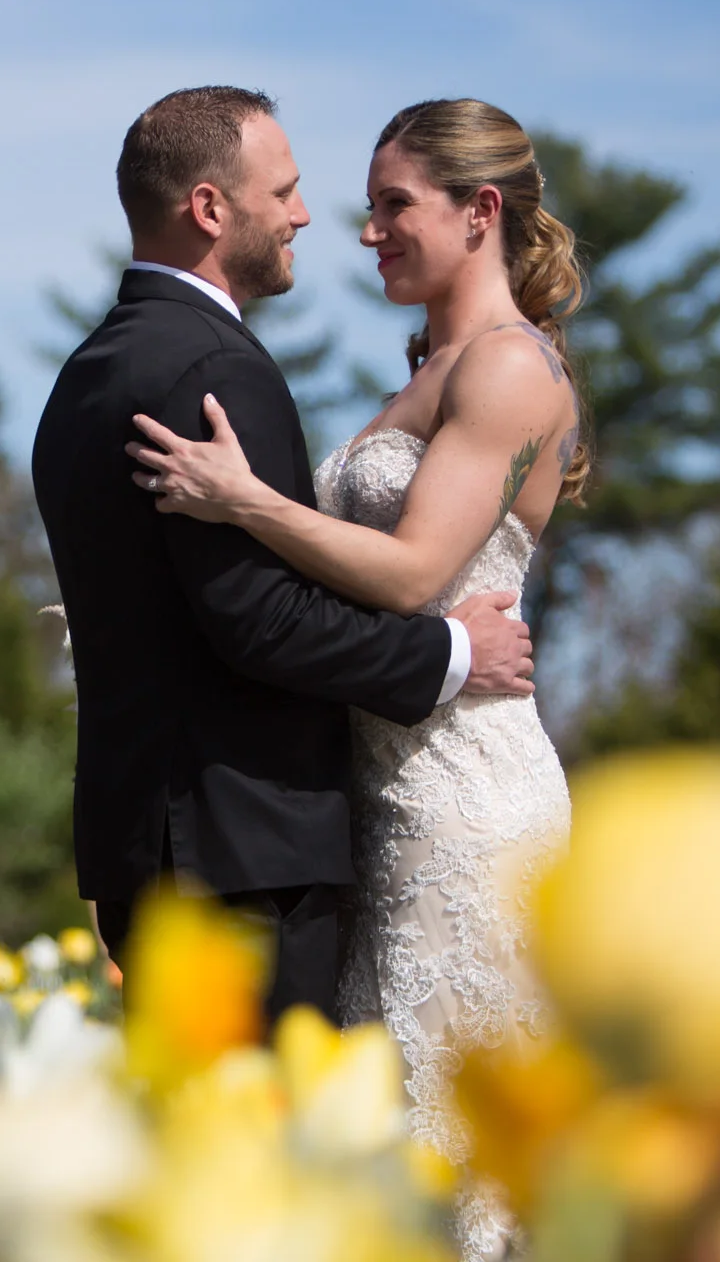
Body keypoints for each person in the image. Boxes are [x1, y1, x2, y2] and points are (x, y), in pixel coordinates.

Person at [124, 96, 583, 1261]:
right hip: (376, 793)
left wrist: (247, 503)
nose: (364, 230)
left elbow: (415, 570)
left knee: (444, 1153)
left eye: (393, 207)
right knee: (373, 1147)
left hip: (465, 803)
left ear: (480, 212)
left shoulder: (512, 372)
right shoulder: (426, 369)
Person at [29, 85, 534, 1029]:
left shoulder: (86, 376)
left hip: (150, 850)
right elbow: (263, 622)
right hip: (247, 860)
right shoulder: (216, 368)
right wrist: (455, 657)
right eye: (285, 192)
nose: (307, 215)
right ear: (212, 208)